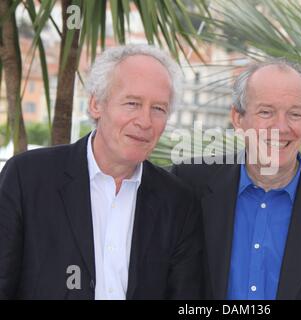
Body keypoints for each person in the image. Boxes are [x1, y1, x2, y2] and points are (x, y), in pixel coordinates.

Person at [0, 44, 203, 300]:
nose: (144, 121)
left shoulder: (179, 203)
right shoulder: (27, 177)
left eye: (158, 109)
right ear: (96, 104)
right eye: (132, 103)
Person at [172, 59, 301, 300]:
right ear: (238, 118)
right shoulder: (188, 183)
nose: (280, 127)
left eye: (295, 114)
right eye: (266, 112)